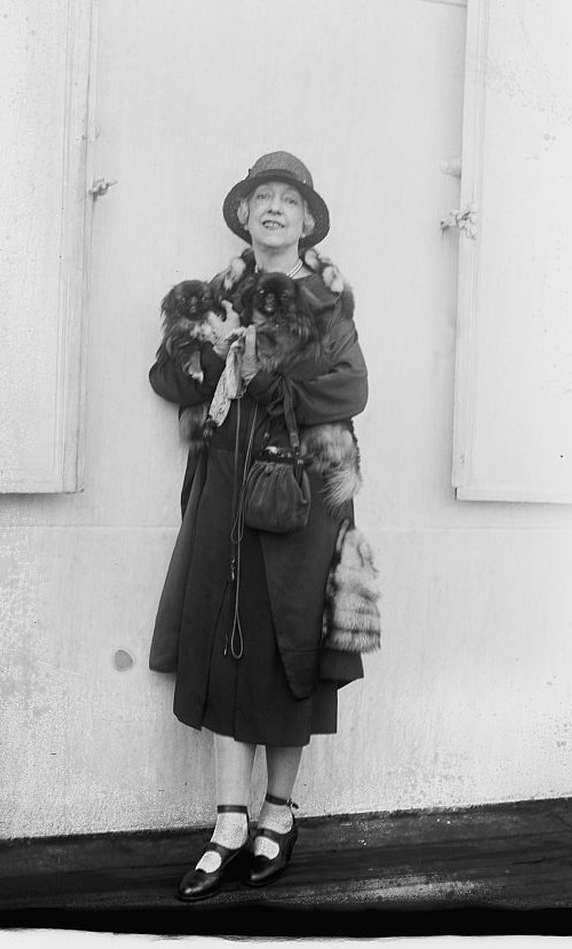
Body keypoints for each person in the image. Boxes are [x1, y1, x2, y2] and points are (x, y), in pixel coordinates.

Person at [148, 151, 371, 902]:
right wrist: (209, 358)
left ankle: (279, 812)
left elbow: (351, 388)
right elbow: (168, 376)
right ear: (244, 215)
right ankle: (228, 823)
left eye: (289, 199)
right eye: (261, 197)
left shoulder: (327, 304)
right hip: (225, 495)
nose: (274, 207)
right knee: (225, 642)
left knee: (287, 646)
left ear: (306, 220)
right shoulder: (218, 297)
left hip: (300, 496)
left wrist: (267, 376)